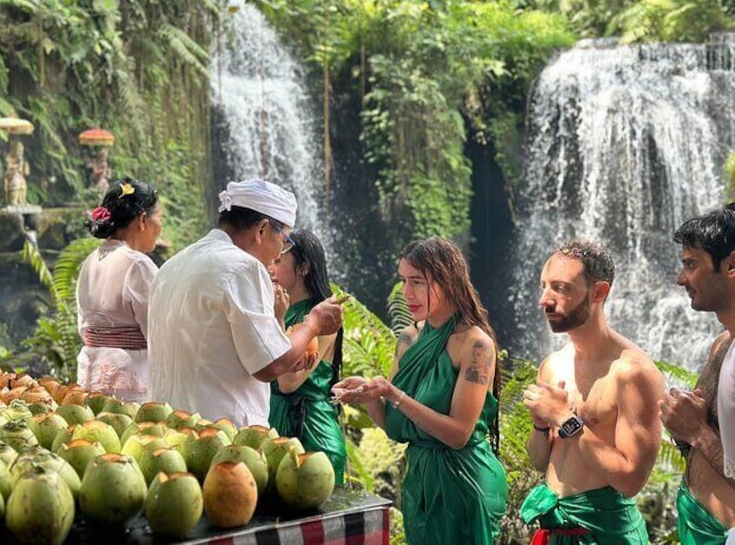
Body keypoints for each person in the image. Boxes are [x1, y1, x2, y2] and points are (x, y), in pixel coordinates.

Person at [333, 237, 507, 544]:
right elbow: (396, 428)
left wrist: (394, 394)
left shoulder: (476, 344)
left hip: (466, 484)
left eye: (417, 282)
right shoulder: (409, 338)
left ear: (447, 281)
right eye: (403, 280)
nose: (406, 292)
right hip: (419, 485)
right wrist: (372, 396)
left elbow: (458, 434)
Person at [148, 179, 345, 427]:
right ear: (262, 230)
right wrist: (313, 323)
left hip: (168, 426)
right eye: (284, 241)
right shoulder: (243, 267)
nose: (278, 255)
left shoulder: (173, 264)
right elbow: (270, 364)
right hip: (219, 432)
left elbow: (218, 348)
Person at [520, 240, 664, 544]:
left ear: (599, 293)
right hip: (555, 532)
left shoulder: (631, 373)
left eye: (561, 288)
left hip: (606, 534)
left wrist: (563, 417)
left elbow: (631, 480)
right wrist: (540, 424)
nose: (545, 300)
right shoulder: (553, 365)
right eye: (543, 286)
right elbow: (539, 460)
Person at [660, 205, 735, 545]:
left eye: (691, 264)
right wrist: (683, 429)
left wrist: (696, 431)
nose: (680, 279)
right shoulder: (721, 346)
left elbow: (702, 435)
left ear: (731, 265)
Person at [268, 229, 347, 484]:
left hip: (312, 431)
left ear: (303, 268)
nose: (271, 268)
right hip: (275, 422)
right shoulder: (280, 307)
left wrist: (278, 320)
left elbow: (289, 382)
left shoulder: (324, 316)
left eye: (279, 262)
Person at [76, 178, 161, 403]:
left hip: (91, 374)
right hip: (131, 378)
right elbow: (159, 334)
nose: (160, 227)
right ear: (143, 220)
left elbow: (82, 326)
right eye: (160, 218)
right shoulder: (138, 265)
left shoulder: (90, 261)